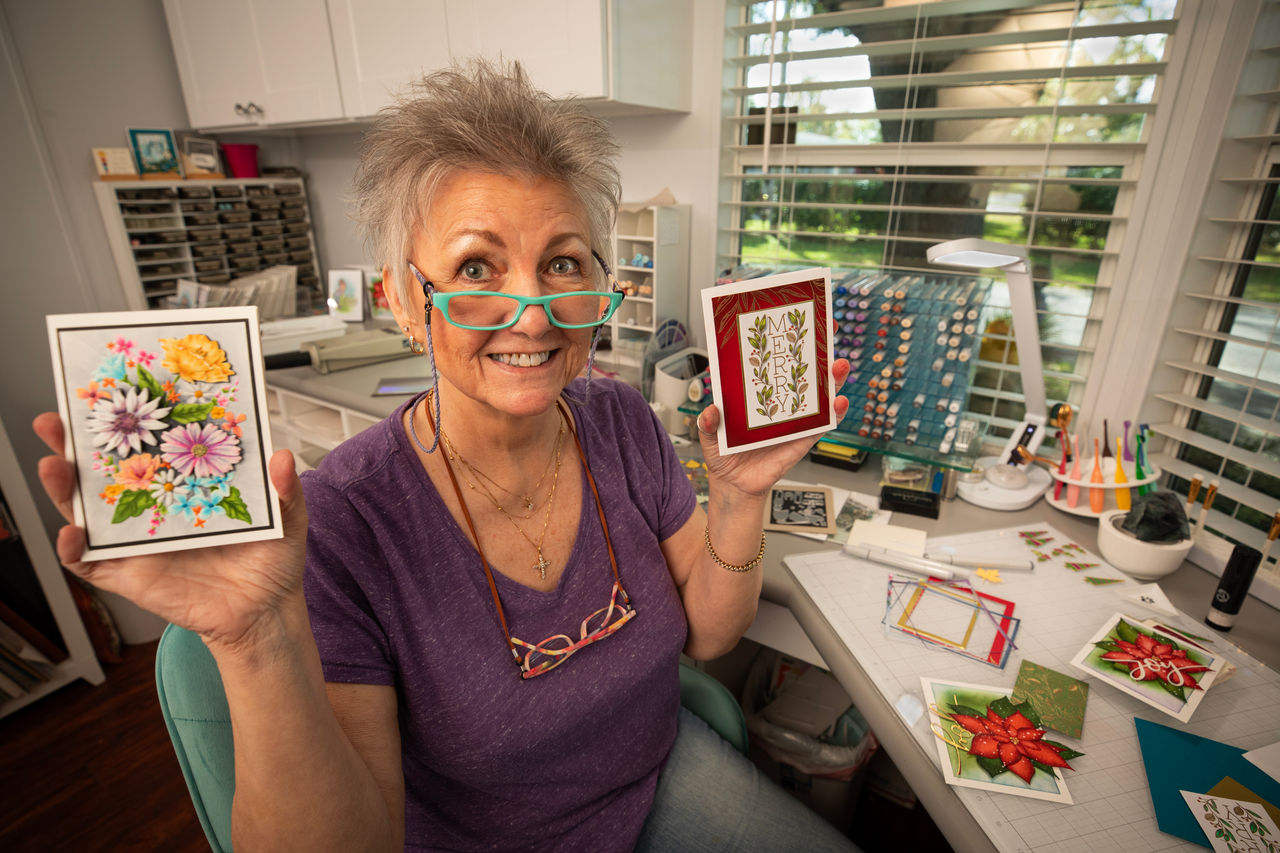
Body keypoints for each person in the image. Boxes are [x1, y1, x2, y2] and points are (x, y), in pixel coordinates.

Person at [35, 60, 854, 852]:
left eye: (561, 263)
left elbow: (710, 637)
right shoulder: (345, 525)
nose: (533, 317)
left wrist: (740, 495)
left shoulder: (620, 418)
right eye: (476, 267)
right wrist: (255, 641)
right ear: (400, 299)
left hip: (655, 779)